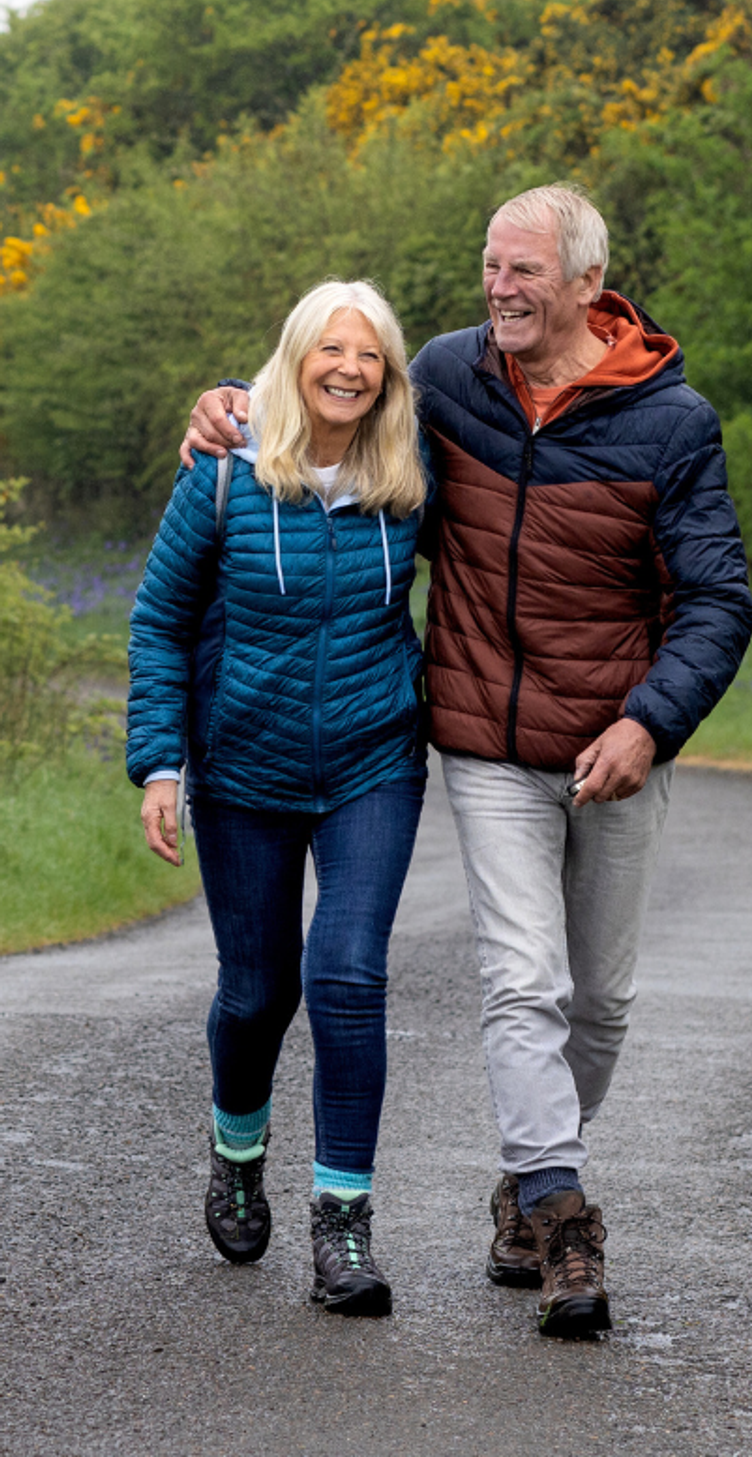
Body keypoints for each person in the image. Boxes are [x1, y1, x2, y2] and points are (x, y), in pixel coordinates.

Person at [184, 184, 752, 1338]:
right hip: (484, 746)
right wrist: (232, 400)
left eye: (524, 272)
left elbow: (717, 600)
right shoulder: (448, 375)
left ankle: (518, 1186)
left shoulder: (672, 423)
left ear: (589, 285)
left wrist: (650, 722)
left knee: (598, 1003)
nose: (498, 289)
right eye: (490, 268)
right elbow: (328, 379)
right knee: (519, 982)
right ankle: (559, 1209)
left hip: (615, 749)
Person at [134, 280, 430, 1317]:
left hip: (373, 763)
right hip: (244, 770)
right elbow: (161, 622)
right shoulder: (224, 469)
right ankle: (237, 1150)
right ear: (296, 355)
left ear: (389, 373)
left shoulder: (409, 470)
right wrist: (160, 764)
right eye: (330, 351)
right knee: (257, 991)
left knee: (347, 976)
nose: (350, 369)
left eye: (370, 355)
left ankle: (343, 1225)